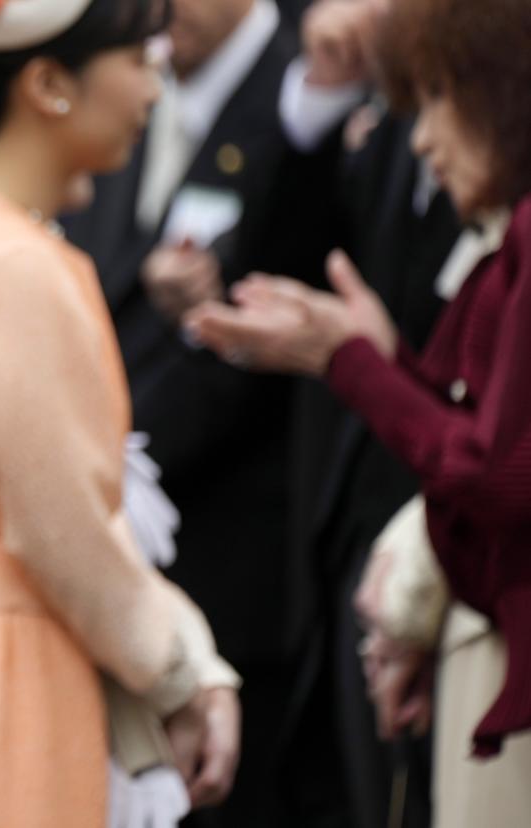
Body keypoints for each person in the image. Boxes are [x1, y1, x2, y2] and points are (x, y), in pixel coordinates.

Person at [0, 1, 241, 825]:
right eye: (138, 60)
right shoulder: (13, 264)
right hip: (3, 683)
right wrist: (186, 672)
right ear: (47, 83)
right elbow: (62, 532)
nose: (153, 87)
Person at [186, 0, 531, 819]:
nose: (421, 135)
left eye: (440, 96)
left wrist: (349, 361)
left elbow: (495, 465)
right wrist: (373, 357)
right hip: (407, 586)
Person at [63, 1, 333, 823]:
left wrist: (94, 454)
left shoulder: (309, 100)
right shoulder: (127, 93)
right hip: (119, 559)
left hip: (242, 563)